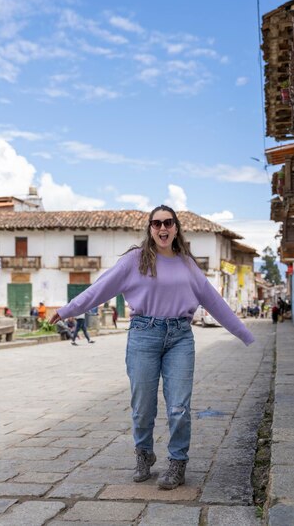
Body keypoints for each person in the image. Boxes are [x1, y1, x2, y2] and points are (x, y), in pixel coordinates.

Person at [50, 205, 255, 490]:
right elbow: (100, 287)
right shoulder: (135, 260)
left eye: (168, 223)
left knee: (179, 407)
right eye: (156, 223)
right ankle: (144, 454)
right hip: (143, 336)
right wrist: (68, 309)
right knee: (143, 406)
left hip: (180, 337)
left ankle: (177, 462)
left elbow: (214, 301)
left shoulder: (187, 264)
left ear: (176, 228)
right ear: (150, 228)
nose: (162, 228)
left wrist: (244, 333)